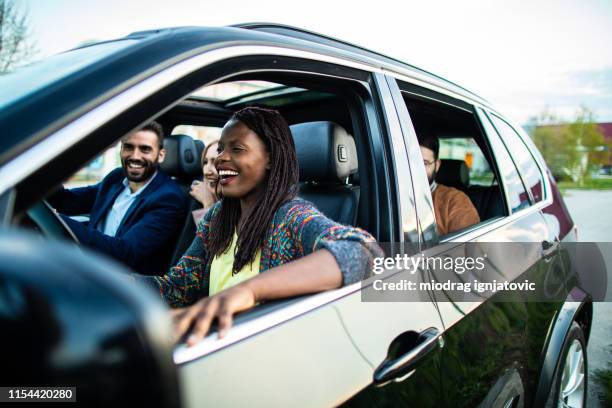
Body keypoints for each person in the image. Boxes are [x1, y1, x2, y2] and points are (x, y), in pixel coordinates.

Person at [138, 107, 381, 346]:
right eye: (221, 148)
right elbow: (177, 288)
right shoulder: (217, 217)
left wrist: (249, 291)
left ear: (271, 159)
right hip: (216, 346)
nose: (221, 158)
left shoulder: (290, 215)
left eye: (238, 149)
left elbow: (364, 253)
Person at [48, 121, 189, 276]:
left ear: (160, 155)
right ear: (121, 149)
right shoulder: (116, 177)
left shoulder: (169, 198)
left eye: (145, 149)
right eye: (129, 147)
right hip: (86, 267)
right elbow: (67, 202)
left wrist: (55, 221)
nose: (135, 156)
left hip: (122, 285)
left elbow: (124, 252)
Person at [418, 133, 480, 235]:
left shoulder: (454, 201)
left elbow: (463, 249)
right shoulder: (389, 192)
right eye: (410, 162)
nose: (415, 169)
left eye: (425, 163)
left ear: (437, 165)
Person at [189, 140, 220, 225]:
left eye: (215, 162)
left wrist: (208, 205)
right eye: (205, 162)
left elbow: (214, 238)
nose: (206, 171)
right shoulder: (198, 195)